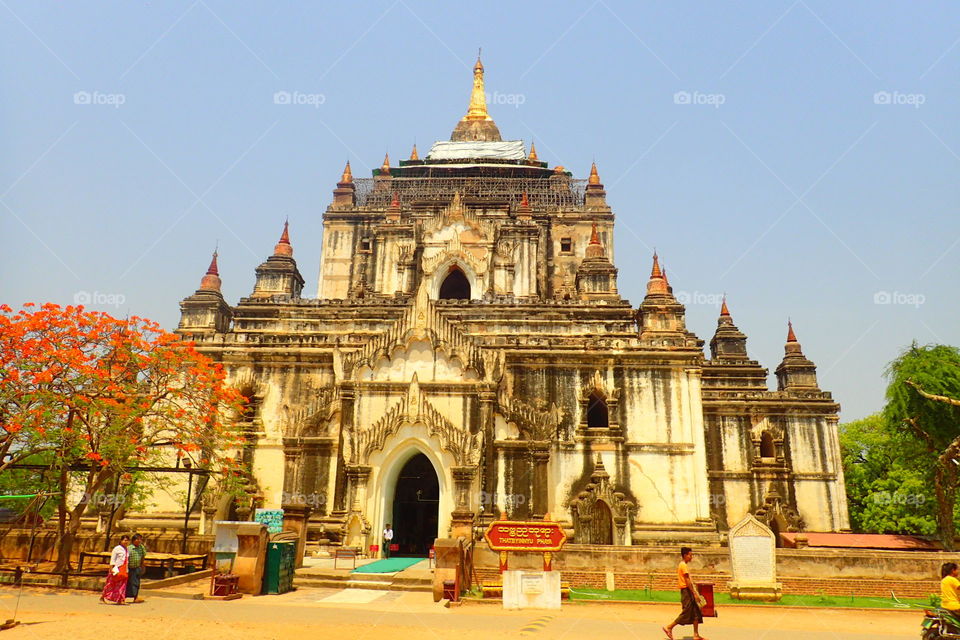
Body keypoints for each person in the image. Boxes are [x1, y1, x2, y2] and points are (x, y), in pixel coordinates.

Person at [663, 546, 707, 640]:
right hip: (686, 591)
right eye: (690, 555)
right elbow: (687, 581)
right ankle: (669, 627)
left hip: (688, 591)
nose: (691, 557)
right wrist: (694, 593)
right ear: (685, 555)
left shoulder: (684, 565)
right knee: (687, 612)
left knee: (696, 612)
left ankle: (696, 634)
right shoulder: (683, 566)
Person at [100, 535, 129, 605]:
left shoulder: (127, 549)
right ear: (121, 541)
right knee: (111, 583)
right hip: (117, 568)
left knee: (122, 585)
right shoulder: (117, 549)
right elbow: (112, 559)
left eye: (127, 540)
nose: (126, 542)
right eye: (124, 540)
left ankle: (120, 599)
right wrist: (111, 568)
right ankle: (104, 596)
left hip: (124, 568)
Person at [125, 533, 147, 603]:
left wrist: (142, 566)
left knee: (136, 583)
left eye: (140, 539)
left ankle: (135, 597)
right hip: (130, 568)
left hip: (137, 567)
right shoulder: (129, 548)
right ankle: (125, 596)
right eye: (137, 539)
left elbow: (142, 557)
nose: (139, 541)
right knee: (129, 583)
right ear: (133, 540)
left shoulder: (141, 547)